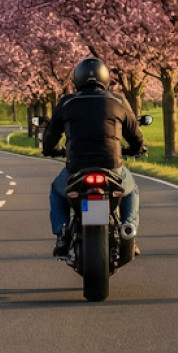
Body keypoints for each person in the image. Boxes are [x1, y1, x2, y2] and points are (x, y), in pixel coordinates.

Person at [42, 57, 146, 260]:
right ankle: (129, 230)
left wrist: (52, 149)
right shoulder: (118, 101)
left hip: (77, 168)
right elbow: (135, 136)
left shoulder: (67, 102)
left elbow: (50, 138)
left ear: (77, 80)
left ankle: (62, 231)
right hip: (112, 166)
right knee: (131, 191)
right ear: (105, 78)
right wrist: (136, 149)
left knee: (56, 191)